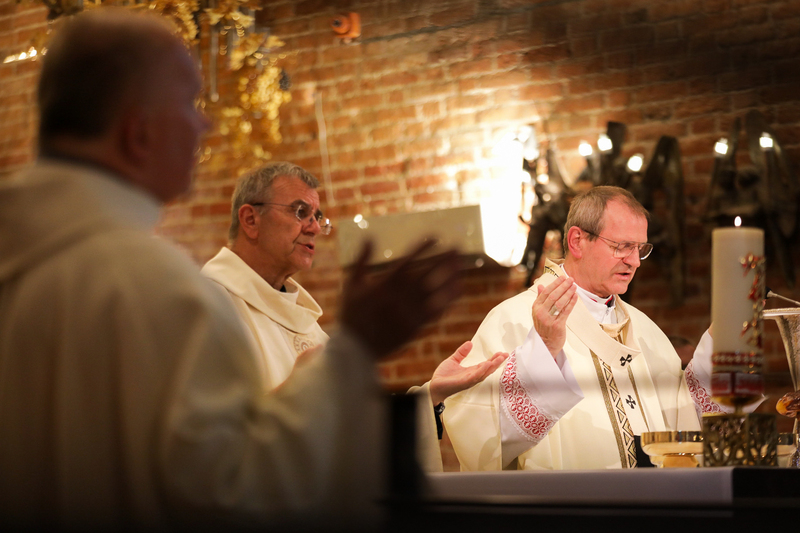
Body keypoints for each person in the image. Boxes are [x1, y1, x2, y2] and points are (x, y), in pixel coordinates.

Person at [0, 9, 461, 531]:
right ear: (138, 130)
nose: (207, 123)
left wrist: (426, 394)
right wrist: (353, 352)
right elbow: (234, 493)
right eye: (189, 103)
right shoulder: (161, 290)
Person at [201, 162, 508, 471]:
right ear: (251, 219)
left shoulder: (304, 323)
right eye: (299, 212)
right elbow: (213, 452)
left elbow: (349, 434)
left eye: (317, 217)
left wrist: (429, 396)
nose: (314, 227)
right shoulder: (208, 308)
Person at [443, 186, 710, 471]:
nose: (634, 261)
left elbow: (684, 421)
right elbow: (480, 436)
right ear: (577, 241)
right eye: (622, 246)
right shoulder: (512, 320)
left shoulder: (647, 331)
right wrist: (543, 352)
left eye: (640, 249)